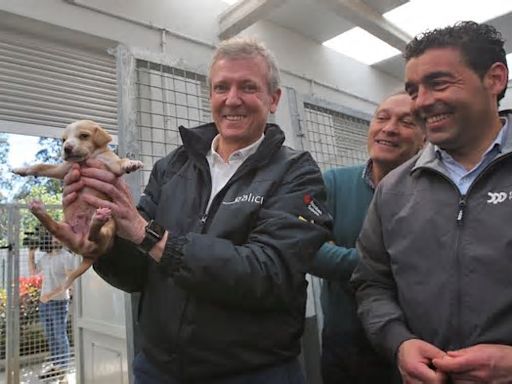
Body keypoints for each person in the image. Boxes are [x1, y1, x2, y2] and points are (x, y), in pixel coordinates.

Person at [61, 37, 332, 383]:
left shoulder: (297, 173)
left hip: (253, 373)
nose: (232, 99)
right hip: (158, 369)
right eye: (222, 87)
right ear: (211, 96)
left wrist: (152, 236)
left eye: (248, 87)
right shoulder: (171, 167)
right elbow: (138, 274)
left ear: (273, 99)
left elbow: (270, 273)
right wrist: (103, 247)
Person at [351, 21, 512, 383]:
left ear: (495, 79)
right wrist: (399, 342)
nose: (422, 101)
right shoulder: (393, 190)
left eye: (438, 83)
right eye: (414, 89)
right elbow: (371, 283)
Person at [309, 91, 425, 383]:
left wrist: (339, 255)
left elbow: (432, 268)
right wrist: (385, 265)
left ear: (425, 138)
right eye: (382, 118)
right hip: (343, 343)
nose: (389, 128)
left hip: (412, 345)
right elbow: (308, 251)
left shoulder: (432, 193)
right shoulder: (333, 182)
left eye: (406, 121)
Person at [27, 230, 76, 379]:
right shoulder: (46, 258)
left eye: (59, 237)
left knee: (60, 334)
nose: (56, 239)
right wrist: (31, 254)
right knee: (50, 335)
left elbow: (69, 282)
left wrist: (50, 295)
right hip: (44, 303)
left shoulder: (67, 257)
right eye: (54, 237)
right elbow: (33, 272)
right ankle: (56, 366)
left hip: (59, 302)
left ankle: (64, 369)